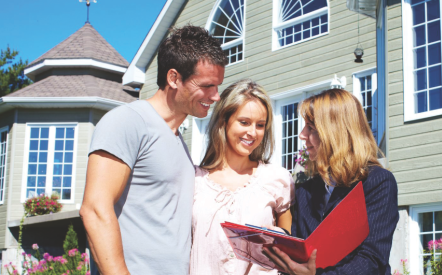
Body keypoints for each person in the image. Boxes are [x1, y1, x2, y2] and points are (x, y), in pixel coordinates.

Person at [79, 25, 227, 275]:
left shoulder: (180, 143)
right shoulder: (127, 121)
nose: (216, 97)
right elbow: (95, 209)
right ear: (174, 78)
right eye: (207, 86)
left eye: (218, 86)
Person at [264, 89, 399, 275]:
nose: (302, 135)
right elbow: (303, 248)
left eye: (310, 128)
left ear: (335, 132)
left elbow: (371, 260)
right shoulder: (305, 190)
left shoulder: (377, 182)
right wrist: (278, 240)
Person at [190, 79, 295, 275]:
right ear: (224, 120)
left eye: (260, 125)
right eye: (244, 122)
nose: (252, 133)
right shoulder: (193, 180)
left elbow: (287, 255)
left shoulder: (277, 179)